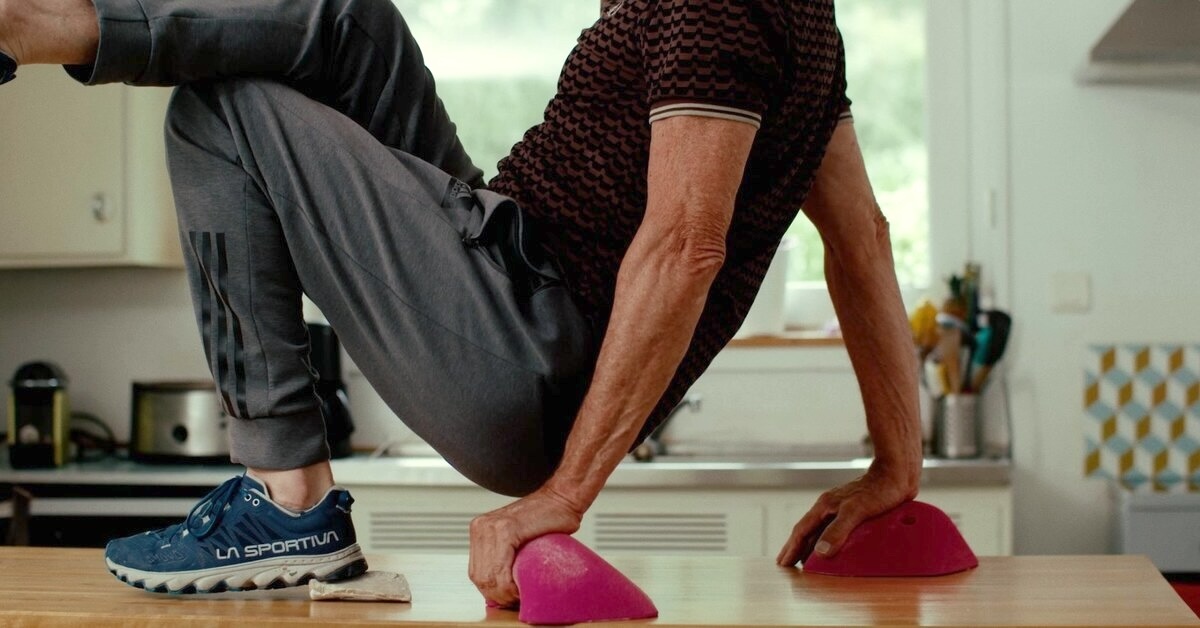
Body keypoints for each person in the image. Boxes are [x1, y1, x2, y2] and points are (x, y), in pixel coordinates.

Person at [0, 0, 922, 606]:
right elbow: (865, 240)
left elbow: (686, 244)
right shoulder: (807, 26)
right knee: (349, 19)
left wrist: (563, 496)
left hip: (524, 341)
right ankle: (38, 21)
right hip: (509, 274)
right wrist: (896, 469)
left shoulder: (713, 5)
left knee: (219, 114)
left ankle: (286, 503)